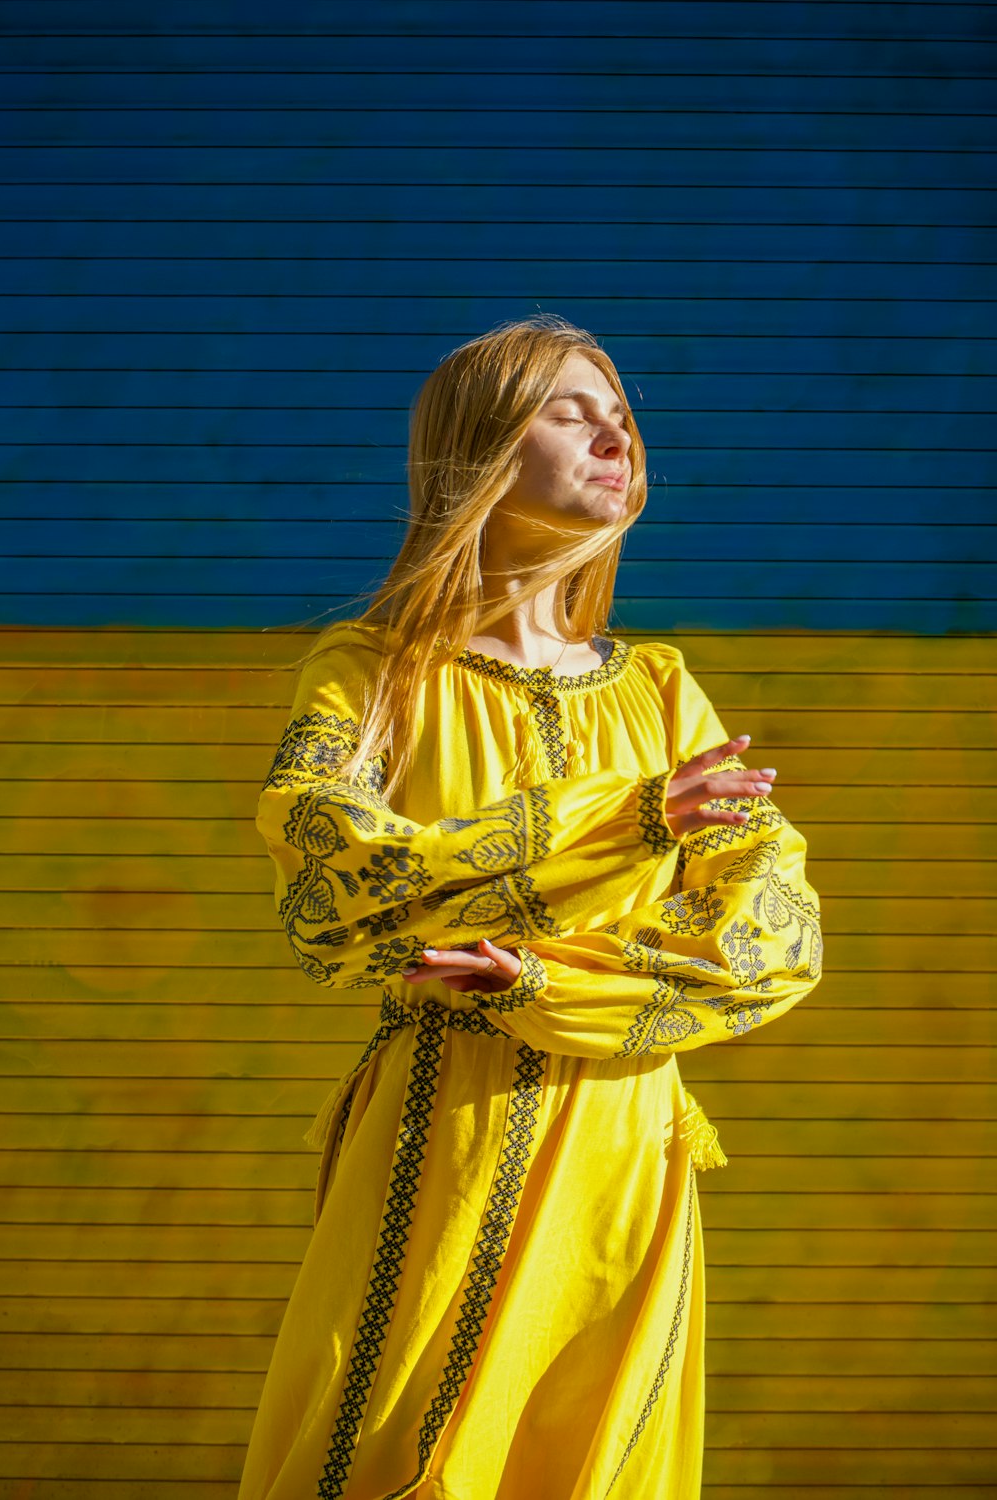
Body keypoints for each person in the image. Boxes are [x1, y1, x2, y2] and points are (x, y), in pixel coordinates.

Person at [238, 315, 823, 1500]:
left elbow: (774, 930)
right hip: (440, 1122)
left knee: (598, 1462)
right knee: (393, 1452)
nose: (615, 429)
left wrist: (551, 983)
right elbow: (332, 873)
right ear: (480, 451)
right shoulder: (374, 672)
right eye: (570, 409)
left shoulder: (661, 688)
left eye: (621, 413)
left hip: (623, 1139)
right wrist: (629, 821)